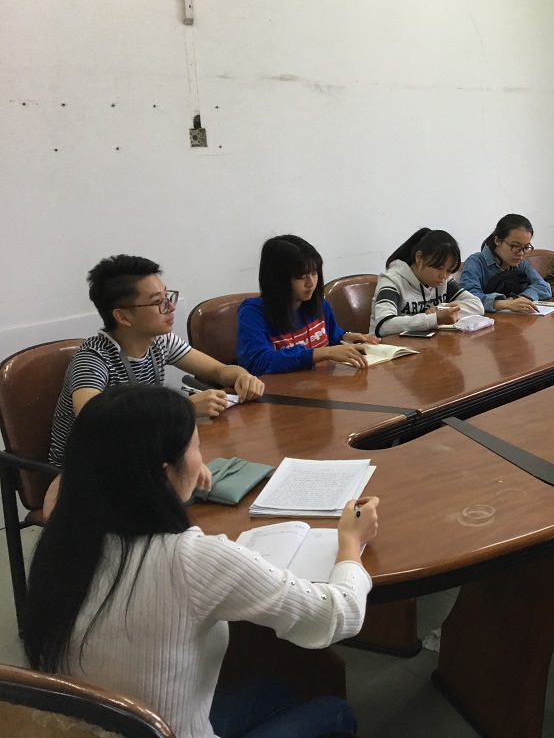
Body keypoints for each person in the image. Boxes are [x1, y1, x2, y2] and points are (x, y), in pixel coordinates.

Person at [24, 385, 380, 738]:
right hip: (172, 730)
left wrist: (172, 487)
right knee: (333, 711)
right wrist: (351, 543)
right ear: (163, 472)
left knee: (274, 693)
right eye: (196, 448)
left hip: (101, 728)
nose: (201, 460)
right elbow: (336, 616)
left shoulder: (63, 543)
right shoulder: (191, 560)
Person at [48, 254, 265, 469]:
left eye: (167, 296)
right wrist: (184, 408)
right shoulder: (93, 359)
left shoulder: (160, 341)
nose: (170, 307)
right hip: (87, 470)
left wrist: (242, 376)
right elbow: (93, 423)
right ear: (123, 317)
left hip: (140, 452)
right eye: (157, 302)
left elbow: (217, 371)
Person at [237, 235, 380, 375]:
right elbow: (258, 363)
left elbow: (332, 337)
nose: (311, 283)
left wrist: (345, 337)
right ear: (278, 280)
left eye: (314, 273)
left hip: (321, 384)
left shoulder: (320, 305)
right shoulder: (253, 313)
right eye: (301, 277)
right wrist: (319, 354)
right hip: (283, 388)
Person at [370, 228, 484, 337]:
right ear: (419, 257)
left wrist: (442, 309)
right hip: (386, 347)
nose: (443, 276)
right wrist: (434, 318)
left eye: (449, 270)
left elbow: (477, 305)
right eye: (438, 267)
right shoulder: (392, 280)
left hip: (424, 346)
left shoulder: (443, 281)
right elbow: (384, 325)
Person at [459, 214, 552, 313]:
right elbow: (468, 298)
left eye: (526, 247)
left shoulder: (521, 263)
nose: (521, 253)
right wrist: (503, 304)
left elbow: (544, 287)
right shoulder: (476, 262)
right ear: (497, 240)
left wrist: (520, 298)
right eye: (515, 246)